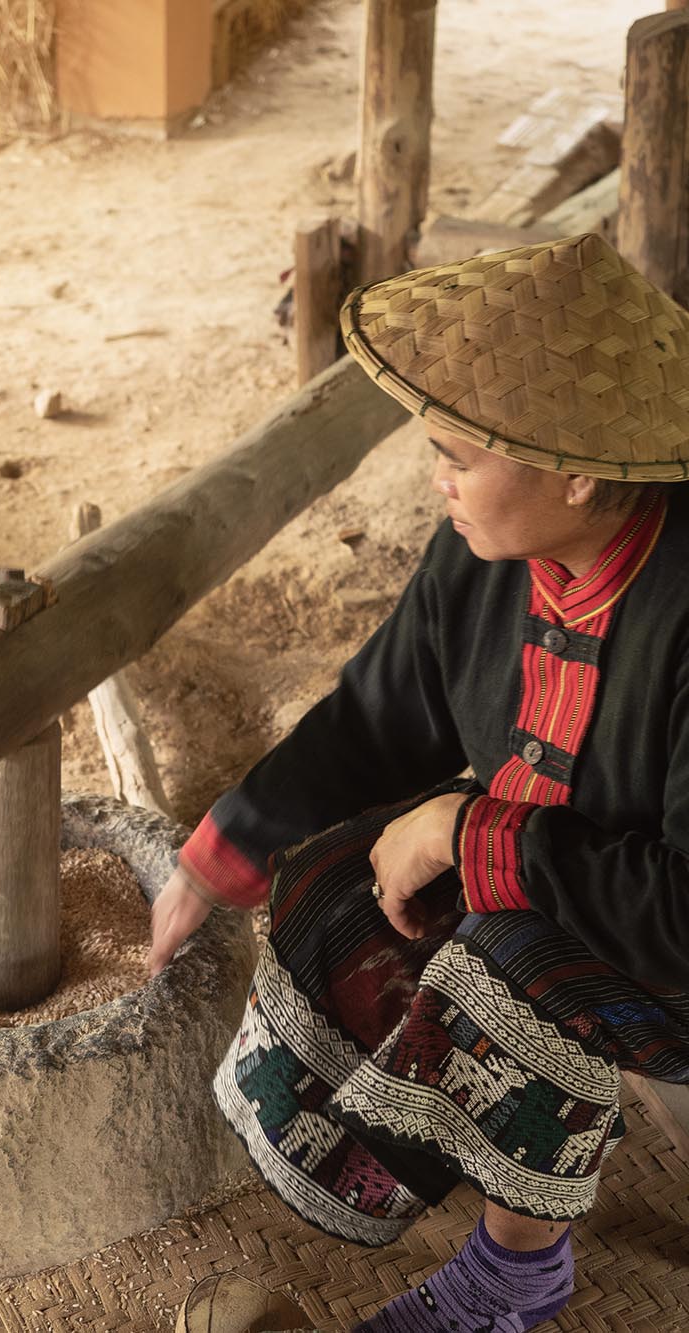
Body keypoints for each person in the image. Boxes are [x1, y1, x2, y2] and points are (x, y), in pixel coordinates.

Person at [148, 232, 689, 1332]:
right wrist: (228, 845)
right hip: (567, 865)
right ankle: (454, 1163)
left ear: (576, 469)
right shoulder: (482, 552)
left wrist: (462, 828)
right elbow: (382, 712)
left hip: (667, 927)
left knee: (500, 965)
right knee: (335, 884)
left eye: (457, 454)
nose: (435, 477)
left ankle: (512, 1279)